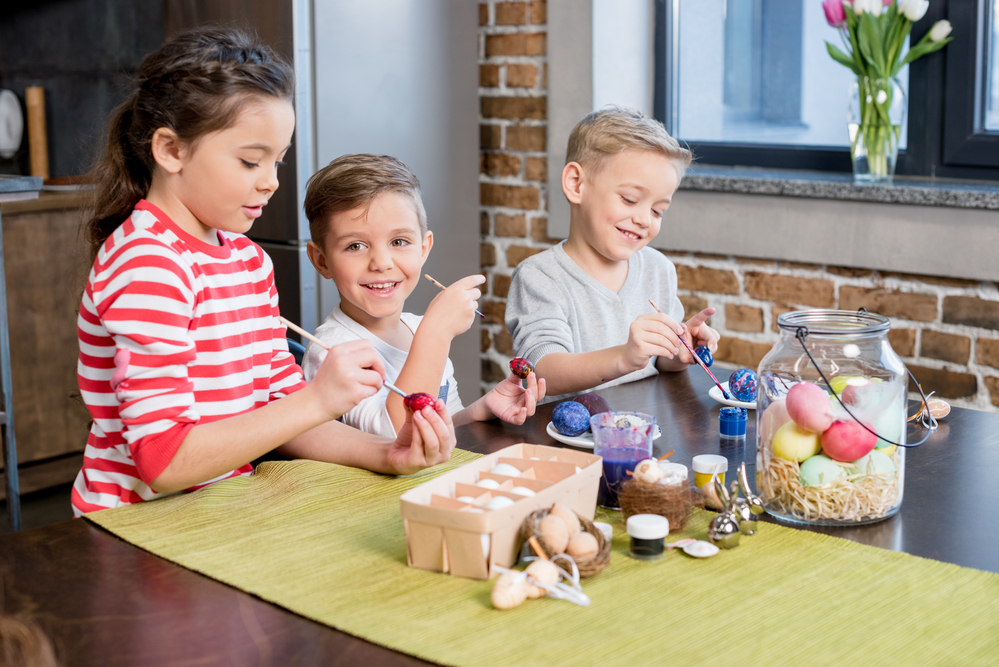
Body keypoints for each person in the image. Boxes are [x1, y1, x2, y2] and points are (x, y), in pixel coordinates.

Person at [72, 27, 454, 516]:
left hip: (225, 509)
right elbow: (163, 463)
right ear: (171, 151)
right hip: (136, 525)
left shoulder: (247, 261)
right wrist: (318, 400)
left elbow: (282, 412)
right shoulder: (148, 264)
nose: (272, 181)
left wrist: (387, 454)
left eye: (278, 159)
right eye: (251, 161)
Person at [301, 154, 545, 438]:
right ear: (322, 261)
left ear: (423, 248)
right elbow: (394, 436)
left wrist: (481, 409)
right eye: (355, 246)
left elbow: (441, 424)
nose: (381, 262)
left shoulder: (420, 328)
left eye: (398, 242)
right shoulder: (332, 349)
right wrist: (436, 333)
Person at [505, 107, 720, 401]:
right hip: (567, 442)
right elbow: (543, 372)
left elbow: (661, 363)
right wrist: (624, 357)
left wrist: (681, 351)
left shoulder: (658, 269)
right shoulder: (540, 277)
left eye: (658, 211)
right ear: (576, 184)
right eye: (630, 199)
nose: (645, 219)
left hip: (645, 435)